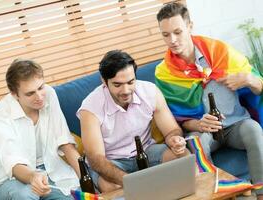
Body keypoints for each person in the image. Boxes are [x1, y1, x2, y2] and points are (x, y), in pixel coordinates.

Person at [155, 2, 263, 199]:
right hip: (202, 130)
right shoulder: (164, 73)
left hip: (235, 124)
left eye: (178, 32)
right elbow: (177, 119)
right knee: (196, 145)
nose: (172, 40)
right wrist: (198, 123)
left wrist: (248, 79)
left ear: (190, 26)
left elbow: (259, 88)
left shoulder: (221, 52)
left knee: (254, 130)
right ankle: (220, 194)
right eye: (166, 34)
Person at [77, 50, 189, 193]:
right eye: (117, 85)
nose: (126, 90)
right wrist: (133, 181)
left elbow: (171, 129)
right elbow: (96, 159)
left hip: (146, 150)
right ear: (104, 81)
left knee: (183, 156)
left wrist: (175, 139)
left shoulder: (150, 91)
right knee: (112, 187)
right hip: (111, 161)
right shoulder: (90, 108)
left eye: (131, 82)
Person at [0, 59, 80, 200]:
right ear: (14, 94)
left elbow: (64, 142)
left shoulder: (49, 93)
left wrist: (86, 178)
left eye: (40, 87)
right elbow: (13, 164)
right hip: (12, 178)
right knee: (26, 195)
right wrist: (33, 176)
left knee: (74, 195)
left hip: (51, 170)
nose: (39, 97)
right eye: (30, 93)